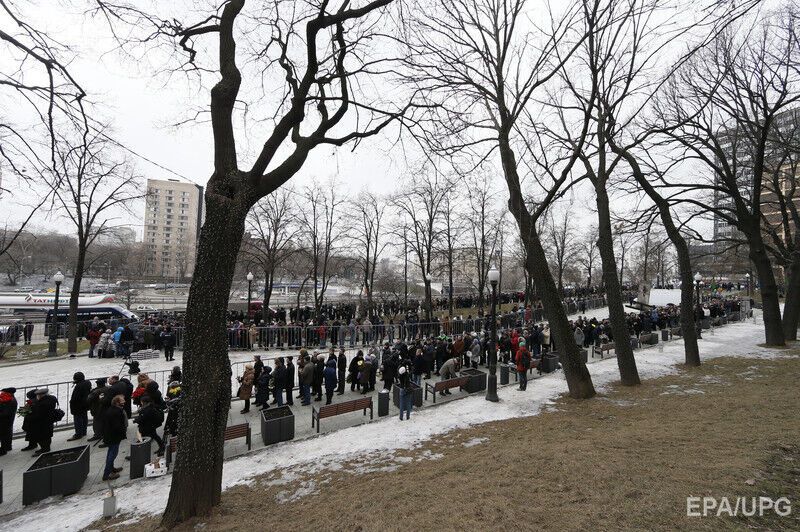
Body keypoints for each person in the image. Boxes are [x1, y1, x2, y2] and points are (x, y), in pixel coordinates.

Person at [103, 395, 128, 481]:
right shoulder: (116, 412)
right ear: (117, 402)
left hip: (110, 435)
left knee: (111, 452)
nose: (124, 401)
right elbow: (117, 426)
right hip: (113, 436)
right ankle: (107, 474)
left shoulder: (113, 410)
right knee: (112, 454)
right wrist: (123, 432)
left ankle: (111, 469)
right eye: (122, 400)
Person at [27, 388, 58, 455]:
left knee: (42, 437)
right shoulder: (51, 399)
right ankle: (46, 448)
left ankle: (45, 449)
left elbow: (38, 415)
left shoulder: (41, 403)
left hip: (42, 423)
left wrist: (30, 417)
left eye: (38, 395)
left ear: (40, 395)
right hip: (49, 421)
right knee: (47, 435)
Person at [67, 372, 91, 441]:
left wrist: (71, 402)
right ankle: (84, 431)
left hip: (78, 406)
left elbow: (75, 397)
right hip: (85, 404)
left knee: (78, 420)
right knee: (84, 417)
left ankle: (78, 434)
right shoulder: (87, 383)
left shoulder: (79, 386)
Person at [0, 387, 18, 455]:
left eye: (3, 392)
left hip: (5, 421)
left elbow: (6, 413)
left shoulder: (10, 401)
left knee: (4, 435)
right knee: (7, 433)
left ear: (8, 393)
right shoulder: (7, 399)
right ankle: (8, 447)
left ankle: (3, 450)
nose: (1, 393)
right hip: (6, 421)